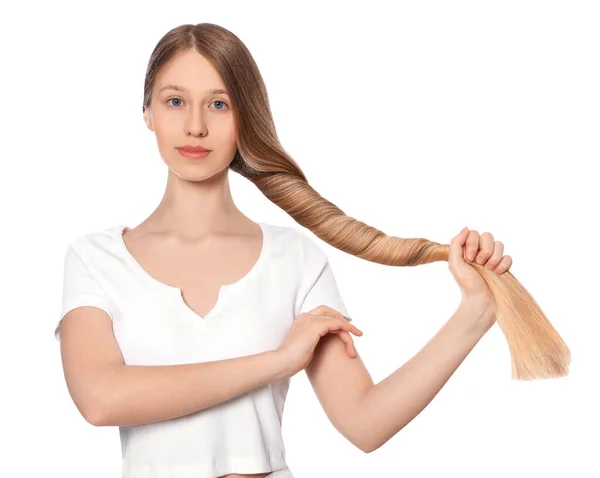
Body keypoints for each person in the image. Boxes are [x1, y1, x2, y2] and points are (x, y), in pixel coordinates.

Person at [55, 23, 511, 478]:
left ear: (245, 118)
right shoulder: (96, 260)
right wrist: (277, 361)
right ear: (148, 114)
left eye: (219, 104)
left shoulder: (295, 259)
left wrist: (474, 314)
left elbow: (365, 422)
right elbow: (100, 398)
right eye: (175, 101)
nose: (195, 126)